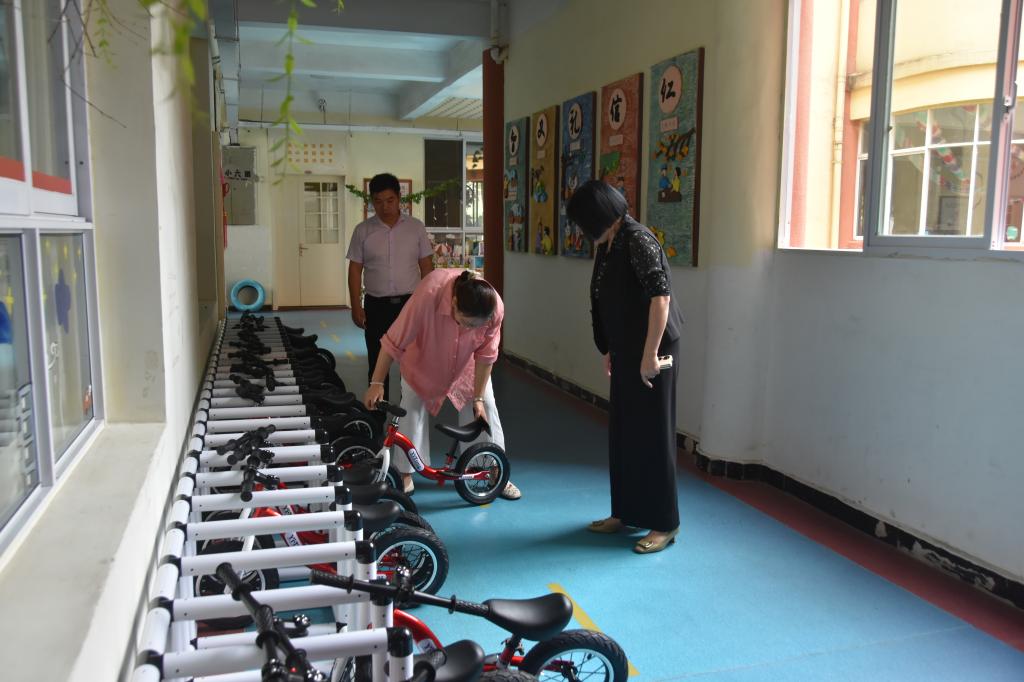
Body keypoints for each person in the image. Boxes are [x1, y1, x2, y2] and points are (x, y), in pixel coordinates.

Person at [566, 179, 684, 554]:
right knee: (624, 435)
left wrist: (649, 354)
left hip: (653, 349)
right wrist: (610, 347)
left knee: (653, 436)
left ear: (599, 216)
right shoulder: (610, 242)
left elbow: (660, 298)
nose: (583, 231)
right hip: (626, 348)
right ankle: (627, 513)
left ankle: (664, 523)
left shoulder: (638, 239)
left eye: (584, 223)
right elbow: (610, 298)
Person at [362, 269, 522, 500]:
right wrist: (377, 382)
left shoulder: (494, 307)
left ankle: (495, 471)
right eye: (464, 322)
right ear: (454, 303)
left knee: (485, 408)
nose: (468, 329)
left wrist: (478, 399)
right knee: (410, 409)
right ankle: (405, 474)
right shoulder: (429, 293)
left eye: (474, 326)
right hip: (423, 360)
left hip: (467, 364)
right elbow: (393, 340)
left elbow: (486, 355)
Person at [347, 173, 433, 400]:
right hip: (376, 306)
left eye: (390, 200)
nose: (384, 207)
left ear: (399, 199)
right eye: (378, 201)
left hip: (410, 305)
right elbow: (355, 270)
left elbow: (426, 266)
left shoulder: (415, 228)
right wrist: (356, 306)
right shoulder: (362, 230)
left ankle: (410, 414)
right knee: (377, 364)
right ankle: (377, 414)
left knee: (412, 364)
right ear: (371, 201)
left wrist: (427, 303)